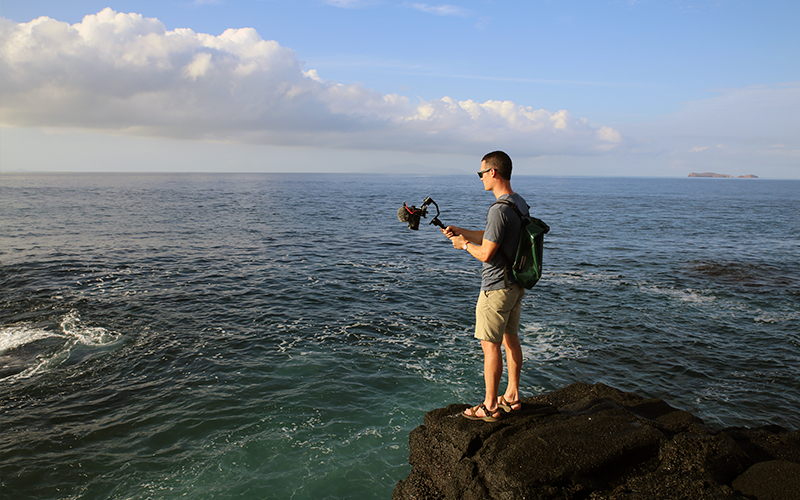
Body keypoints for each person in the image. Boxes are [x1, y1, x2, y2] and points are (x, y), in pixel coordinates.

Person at [442, 151, 528, 422]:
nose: (480, 178)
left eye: (481, 173)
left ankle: (490, 406)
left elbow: (487, 253)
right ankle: (512, 396)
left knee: (490, 345)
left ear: (493, 172)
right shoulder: (518, 203)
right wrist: (462, 231)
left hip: (496, 288)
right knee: (510, 339)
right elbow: (493, 237)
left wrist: (464, 245)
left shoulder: (498, 209)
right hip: (515, 284)